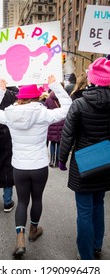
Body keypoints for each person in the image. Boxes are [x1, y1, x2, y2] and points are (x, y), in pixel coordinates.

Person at [0, 75, 72, 257]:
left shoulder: (9, 114)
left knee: (22, 201)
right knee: (37, 199)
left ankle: (20, 238)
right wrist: (54, 85)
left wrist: (0, 90)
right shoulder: (44, 113)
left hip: (19, 166)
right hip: (39, 164)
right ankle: (34, 229)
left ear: (20, 97)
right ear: (36, 97)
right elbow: (68, 107)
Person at [58, 56, 110, 260]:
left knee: (85, 210)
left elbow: (67, 134)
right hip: (106, 163)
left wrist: (61, 159)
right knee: (99, 204)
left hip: (84, 164)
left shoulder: (79, 103)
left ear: (92, 79)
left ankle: (86, 255)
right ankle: (96, 245)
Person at [44, 90, 65, 167]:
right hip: (61, 123)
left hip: (52, 123)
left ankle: (52, 161)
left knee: (52, 143)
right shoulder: (62, 99)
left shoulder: (48, 99)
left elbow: (45, 110)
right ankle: (58, 161)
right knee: (59, 143)